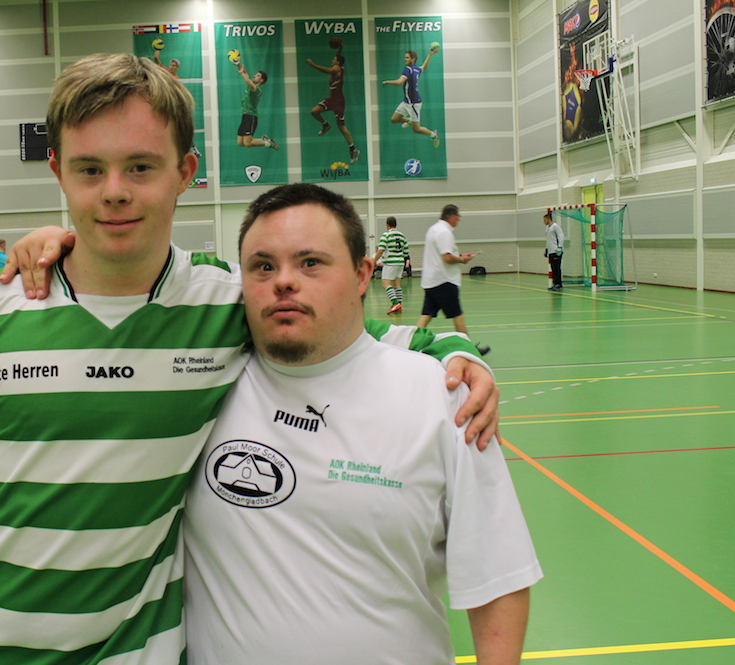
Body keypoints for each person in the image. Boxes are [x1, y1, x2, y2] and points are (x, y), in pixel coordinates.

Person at [0, 52, 499, 665]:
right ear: (58, 170)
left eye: (141, 167)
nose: (115, 190)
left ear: (185, 171)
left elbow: (354, 336)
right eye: (90, 169)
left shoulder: (222, 303)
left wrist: (460, 351)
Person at [185, 183, 540, 665]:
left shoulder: (446, 398)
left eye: (311, 262)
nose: (283, 281)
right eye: (263, 267)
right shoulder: (200, 386)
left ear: (361, 274)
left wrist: (455, 348)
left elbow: (497, 578)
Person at [417, 204, 491, 356]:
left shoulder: (433, 229)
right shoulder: (444, 232)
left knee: (426, 315)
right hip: (444, 281)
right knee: (458, 316)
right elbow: (448, 258)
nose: (458, 220)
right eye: (458, 216)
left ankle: (410, 344)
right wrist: (462, 259)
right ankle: (470, 350)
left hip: (432, 280)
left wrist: (460, 256)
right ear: (451, 216)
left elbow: (444, 254)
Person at [306, 46, 359, 164]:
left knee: (341, 127)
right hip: (332, 99)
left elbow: (328, 70)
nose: (332, 60)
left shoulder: (336, 69)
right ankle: (325, 125)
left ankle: (353, 149)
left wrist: (313, 65)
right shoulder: (338, 66)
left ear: (338, 62)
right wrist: (340, 48)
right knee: (314, 111)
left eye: (334, 59)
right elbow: (337, 58)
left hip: (338, 101)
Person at [381, 46, 441, 148]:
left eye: (407, 57)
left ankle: (433, 135)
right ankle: (409, 120)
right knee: (394, 119)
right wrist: (430, 55)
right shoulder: (417, 69)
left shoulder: (408, 70)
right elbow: (424, 66)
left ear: (413, 59)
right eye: (405, 57)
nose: (405, 59)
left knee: (416, 129)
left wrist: (387, 82)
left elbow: (400, 82)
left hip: (414, 103)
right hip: (406, 101)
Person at [234, 57, 279, 151]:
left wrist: (242, 74)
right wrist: (239, 66)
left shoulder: (257, 90)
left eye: (258, 75)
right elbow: (247, 76)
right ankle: (264, 140)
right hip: (245, 116)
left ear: (261, 80)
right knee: (240, 142)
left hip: (251, 117)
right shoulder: (251, 84)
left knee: (247, 143)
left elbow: (250, 84)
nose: (254, 76)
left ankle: (267, 142)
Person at [373, 215, 409, 314]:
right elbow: (406, 252)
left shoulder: (386, 235)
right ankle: (398, 305)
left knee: (386, 284)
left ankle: (395, 303)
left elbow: (381, 250)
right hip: (400, 262)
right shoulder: (402, 235)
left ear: (387, 225)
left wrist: (374, 261)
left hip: (390, 263)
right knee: (397, 284)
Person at [543, 212, 565, 290]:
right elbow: (548, 239)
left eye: (544, 220)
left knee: (557, 268)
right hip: (551, 251)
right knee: (553, 268)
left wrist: (560, 247)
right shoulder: (547, 228)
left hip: (556, 251)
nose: (544, 222)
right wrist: (546, 249)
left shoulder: (555, 226)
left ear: (548, 219)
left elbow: (561, 236)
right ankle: (555, 283)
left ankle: (559, 284)